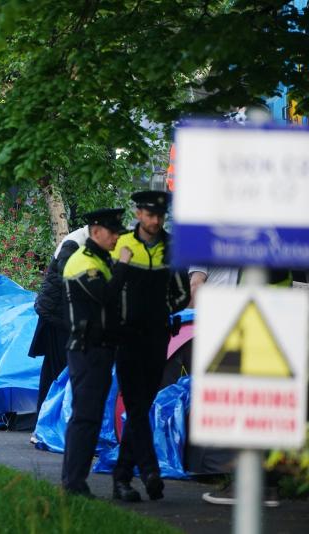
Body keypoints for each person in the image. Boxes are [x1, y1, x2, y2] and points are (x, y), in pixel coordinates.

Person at [109, 190, 190, 502]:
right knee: (135, 404)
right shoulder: (122, 244)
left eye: (160, 216)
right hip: (127, 338)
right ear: (139, 214)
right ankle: (149, 472)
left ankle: (122, 478)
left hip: (157, 337)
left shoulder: (173, 248)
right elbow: (109, 292)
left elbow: (182, 294)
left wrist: (160, 310)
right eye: (150, 215)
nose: (155, 221)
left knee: (141, 406)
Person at [60, 209, 131, 497]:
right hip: (87, 350)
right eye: (112, 232)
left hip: (99, 350)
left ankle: (75, 480)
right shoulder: (83, 261)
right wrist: (124, 265)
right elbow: (106, 296)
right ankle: (73, 483)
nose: (116, 238)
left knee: (90, 417)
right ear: (96, 231)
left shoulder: (101, 260)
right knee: (85, 417)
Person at [29, 225, 89, 415]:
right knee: (57, 372)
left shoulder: (83, 242)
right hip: (57, 318)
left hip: (62, 316)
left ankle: (47, 417)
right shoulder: (73, 243)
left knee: (55, 371)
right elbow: (69, 277)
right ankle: (48, 418)